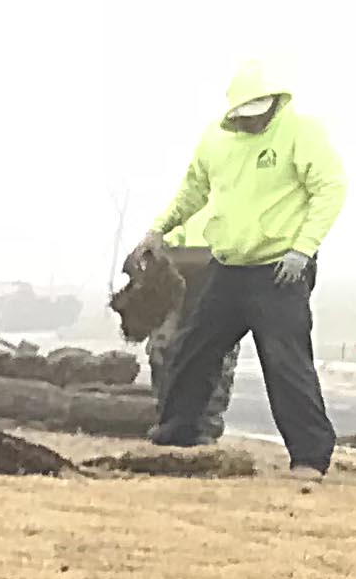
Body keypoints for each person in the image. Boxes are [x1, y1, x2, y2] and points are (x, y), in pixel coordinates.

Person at [138, 60, 341, 480]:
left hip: (280, 271)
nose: (256, 122)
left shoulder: (301, 133)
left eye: (263, 114)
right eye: (248, 117)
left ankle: (310, 457)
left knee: (285, 362)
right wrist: (159, 228)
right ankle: (177, 434)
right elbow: (192, 190)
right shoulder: (215, 140)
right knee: (193, 350)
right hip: (229, 269)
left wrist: (303, 250)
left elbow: (330, 188)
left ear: (275, 105)